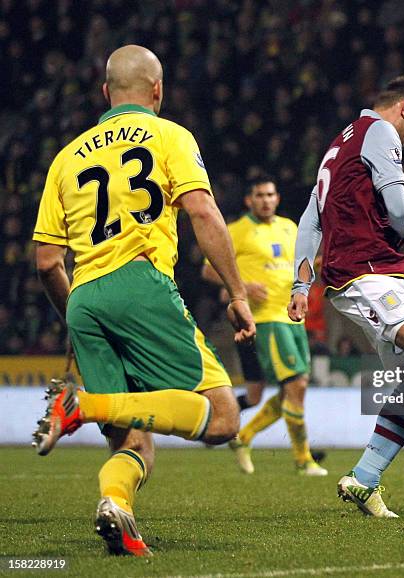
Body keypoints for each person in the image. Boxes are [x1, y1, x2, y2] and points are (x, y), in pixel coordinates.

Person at [31, 45, 255, 556]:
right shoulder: (170, 134)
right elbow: (201, 210)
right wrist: (237, 292)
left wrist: (74, 316)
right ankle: (82, 406)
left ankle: (118, 510)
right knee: (223, 418)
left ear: (105, 92)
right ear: (157, 90)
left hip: (85, 296)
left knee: (133, 442)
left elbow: (47, 262)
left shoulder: (66, 157)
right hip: (140, 284)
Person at [288, 75, 404, 518]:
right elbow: (395, 199)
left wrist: (302, 285)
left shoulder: (339, 146)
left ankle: (364, 479)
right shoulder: (379, 132)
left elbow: (309, 221)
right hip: (366, 268)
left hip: (374, 271)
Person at [203, 178, 327, 476]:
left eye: (270, 194)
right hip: (266, 319)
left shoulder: (288, 227)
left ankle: (243, 437)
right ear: (249, 200)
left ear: (278, 197)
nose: (266, 200)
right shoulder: (236, 231)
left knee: (288, 389)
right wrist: (242, 286)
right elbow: (208, 270)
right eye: (259, 195)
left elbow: (297, 264)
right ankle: (303, 459)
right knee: (295, 384)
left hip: (293, 315)